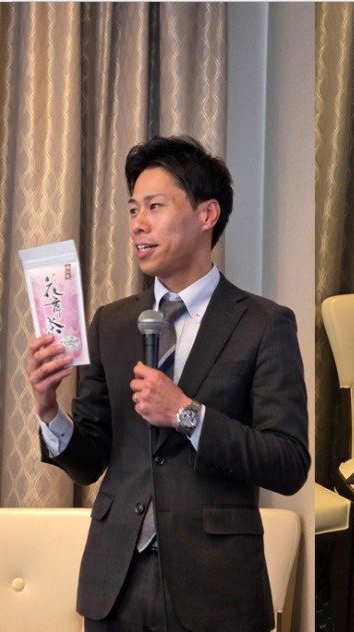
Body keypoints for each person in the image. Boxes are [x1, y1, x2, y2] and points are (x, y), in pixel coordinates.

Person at [24, 135, 310, 631]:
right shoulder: (111, 323)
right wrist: (49, 410)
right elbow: (89, 462)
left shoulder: (264, 324)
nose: (138, 223)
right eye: (133, 209)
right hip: (115, 584)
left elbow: (287, 463)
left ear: (207, 214)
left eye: (155, 206)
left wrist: (187, 414)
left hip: (216, 587)